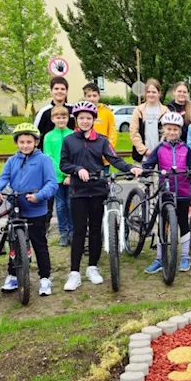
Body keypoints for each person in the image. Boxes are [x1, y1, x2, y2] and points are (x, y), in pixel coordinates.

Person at [60, 102, 127, 289]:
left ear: (94, 119)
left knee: (96, 229)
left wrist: (131, 168)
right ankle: (74, 272)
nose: (85, 121)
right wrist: (77, 168)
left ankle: (92, 267)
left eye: (88, 118)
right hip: (78, 192)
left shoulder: (102, 140)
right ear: (76, 119)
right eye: (81, 118)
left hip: (98, 190)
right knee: (79, 230)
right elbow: (63, 164)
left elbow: (114, 159)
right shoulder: (69, 140)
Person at [0, 123, 58, 296]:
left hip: (36, 209)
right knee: (14, 242)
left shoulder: (44, 160)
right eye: (22, 142)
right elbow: (2, 178)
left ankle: (45, 278)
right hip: (16, 207)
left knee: (39, 244)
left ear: (36, 142)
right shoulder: (12, 161)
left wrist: (40, 196)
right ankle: (13, 275)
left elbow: (52, 183)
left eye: (29, 142)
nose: (25, 145)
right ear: (16, 143)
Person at [141, 112, 191, 274]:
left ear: (180, 131)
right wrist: (142, 170)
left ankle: (185, 256)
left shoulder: (186, 149)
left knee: (183, 223)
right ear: (163, 130)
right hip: (165, 192)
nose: (172, 132)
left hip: (184, 192)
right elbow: (149, 164)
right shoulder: (159, 149)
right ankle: (159, 258)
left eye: (175, 129)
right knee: (163, 225)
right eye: (169, 129)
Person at [43, 105, 74, 246]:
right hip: (56, 177)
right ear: (53, 119)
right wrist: (63, 172)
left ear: (68, 118)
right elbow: (49, 157)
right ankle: (63, 233)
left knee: (71, 204)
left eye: (64, 117)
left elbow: (76, 156)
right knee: (60, 206)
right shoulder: (49, 137)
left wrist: (71, 174)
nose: (61, 120)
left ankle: (73, 233)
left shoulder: (73, 135)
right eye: (58, 117)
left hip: (72, 177)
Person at [129, 79, 166, 163]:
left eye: (154, 92)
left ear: (159, 93)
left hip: (160, 158)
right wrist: (144, 150)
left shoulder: (165, 111)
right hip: (141, 158)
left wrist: (159, 150)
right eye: (148, 92)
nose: (151, 94)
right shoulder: (138, 110)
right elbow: (133, 132)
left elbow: (166, 134)